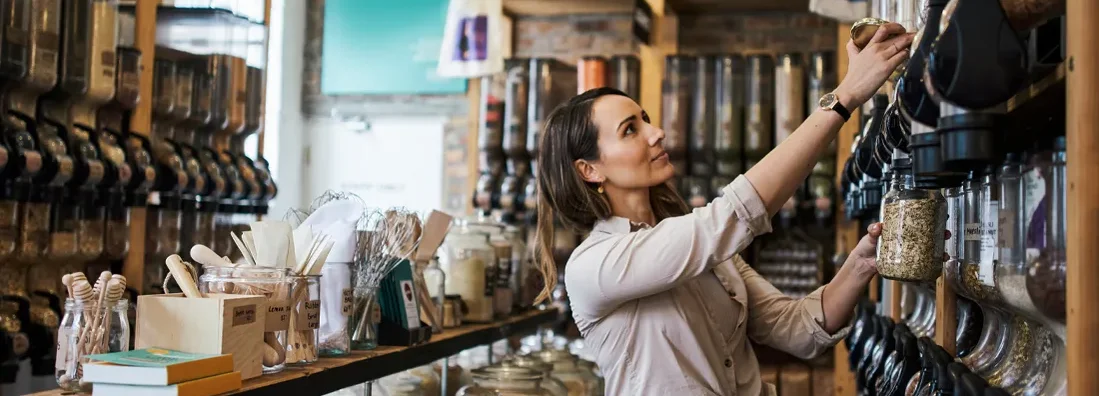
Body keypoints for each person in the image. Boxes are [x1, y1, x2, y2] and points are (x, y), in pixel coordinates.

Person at [531, 23, 916, 395]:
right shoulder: (594, 266)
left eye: (646, 119)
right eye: (630, 129)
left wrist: (863, 262)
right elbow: (735, 213)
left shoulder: (708, 252)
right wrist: (844, 97)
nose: (656, 132)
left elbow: (796, 329)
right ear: (589, 169)